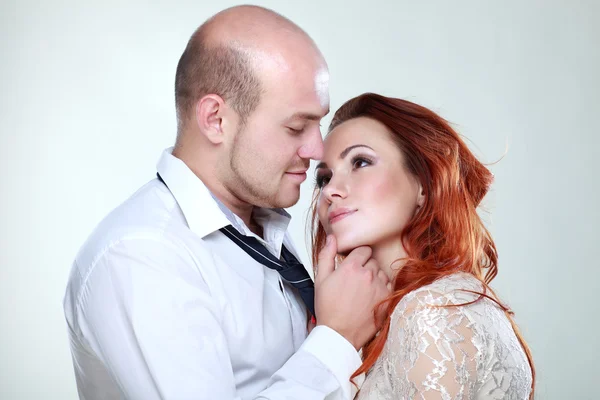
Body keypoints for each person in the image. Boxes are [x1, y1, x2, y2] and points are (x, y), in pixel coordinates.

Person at [63, 6, 391, 400]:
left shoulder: (263, 228)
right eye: (295, 127)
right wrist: (337, 338)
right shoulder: (142, 256)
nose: (317, 148)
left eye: (317, 123)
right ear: (216, 119)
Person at [311, 93, 535, 399]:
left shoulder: (430, 311)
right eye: (324, 178)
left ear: (423, 184)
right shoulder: (421, 306)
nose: (331, 191)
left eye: (360, 162)